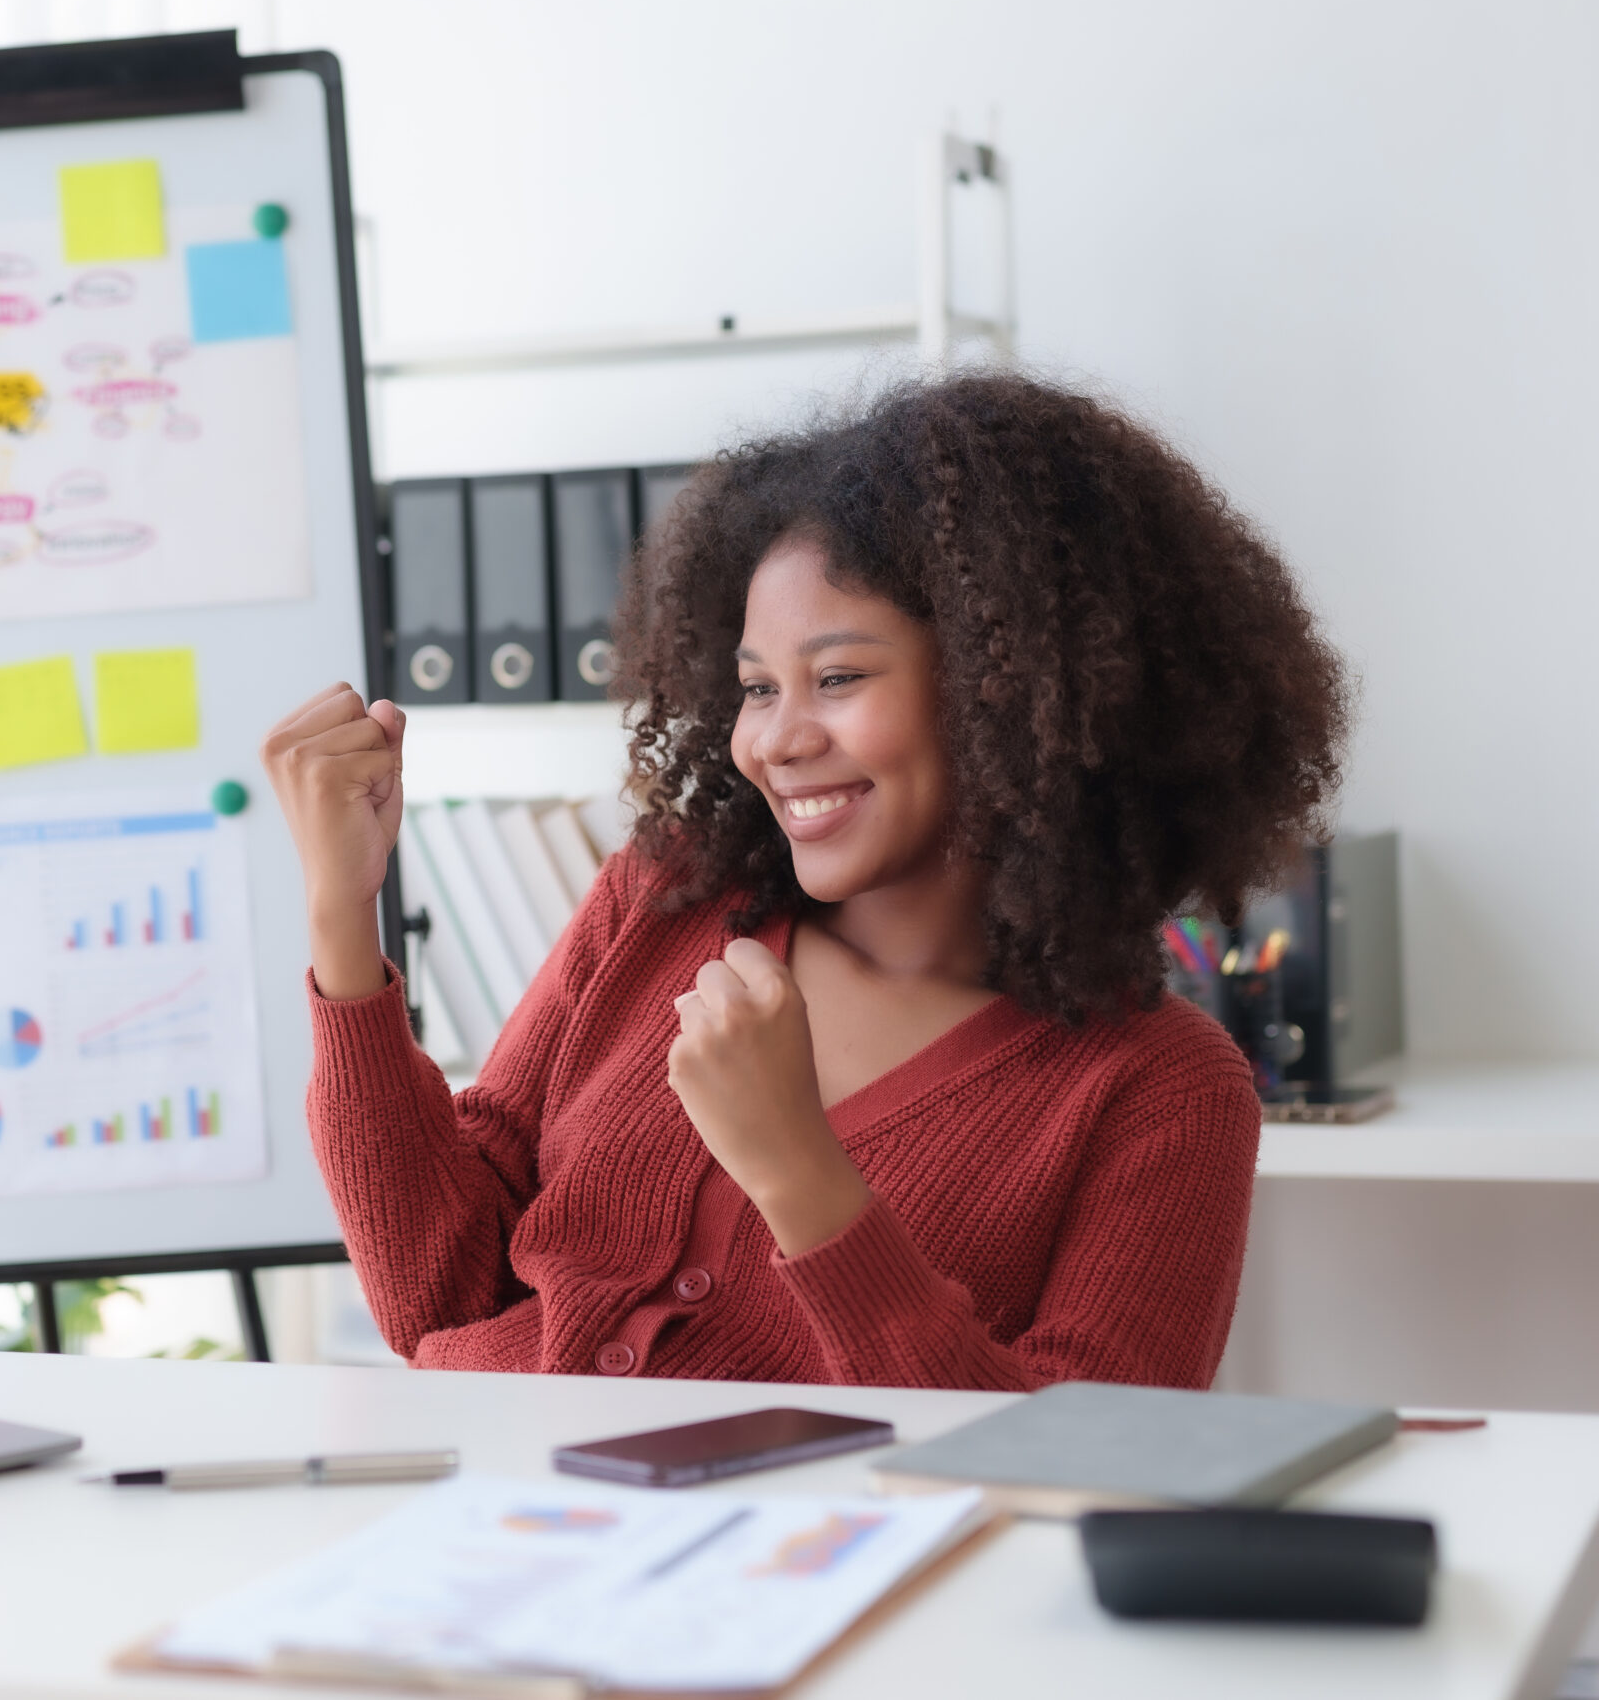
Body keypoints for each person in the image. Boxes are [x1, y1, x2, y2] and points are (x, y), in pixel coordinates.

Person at [260, 373, 1350, 1389]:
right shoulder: (662, 902)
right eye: (753, 688)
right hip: (480, 1523)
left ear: (1015, 693)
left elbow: (1085, 1471)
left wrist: (799, 1174)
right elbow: (433, 1298)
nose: (774, 741)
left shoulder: (1159, 1089)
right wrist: (340, 921)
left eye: (835, 678)